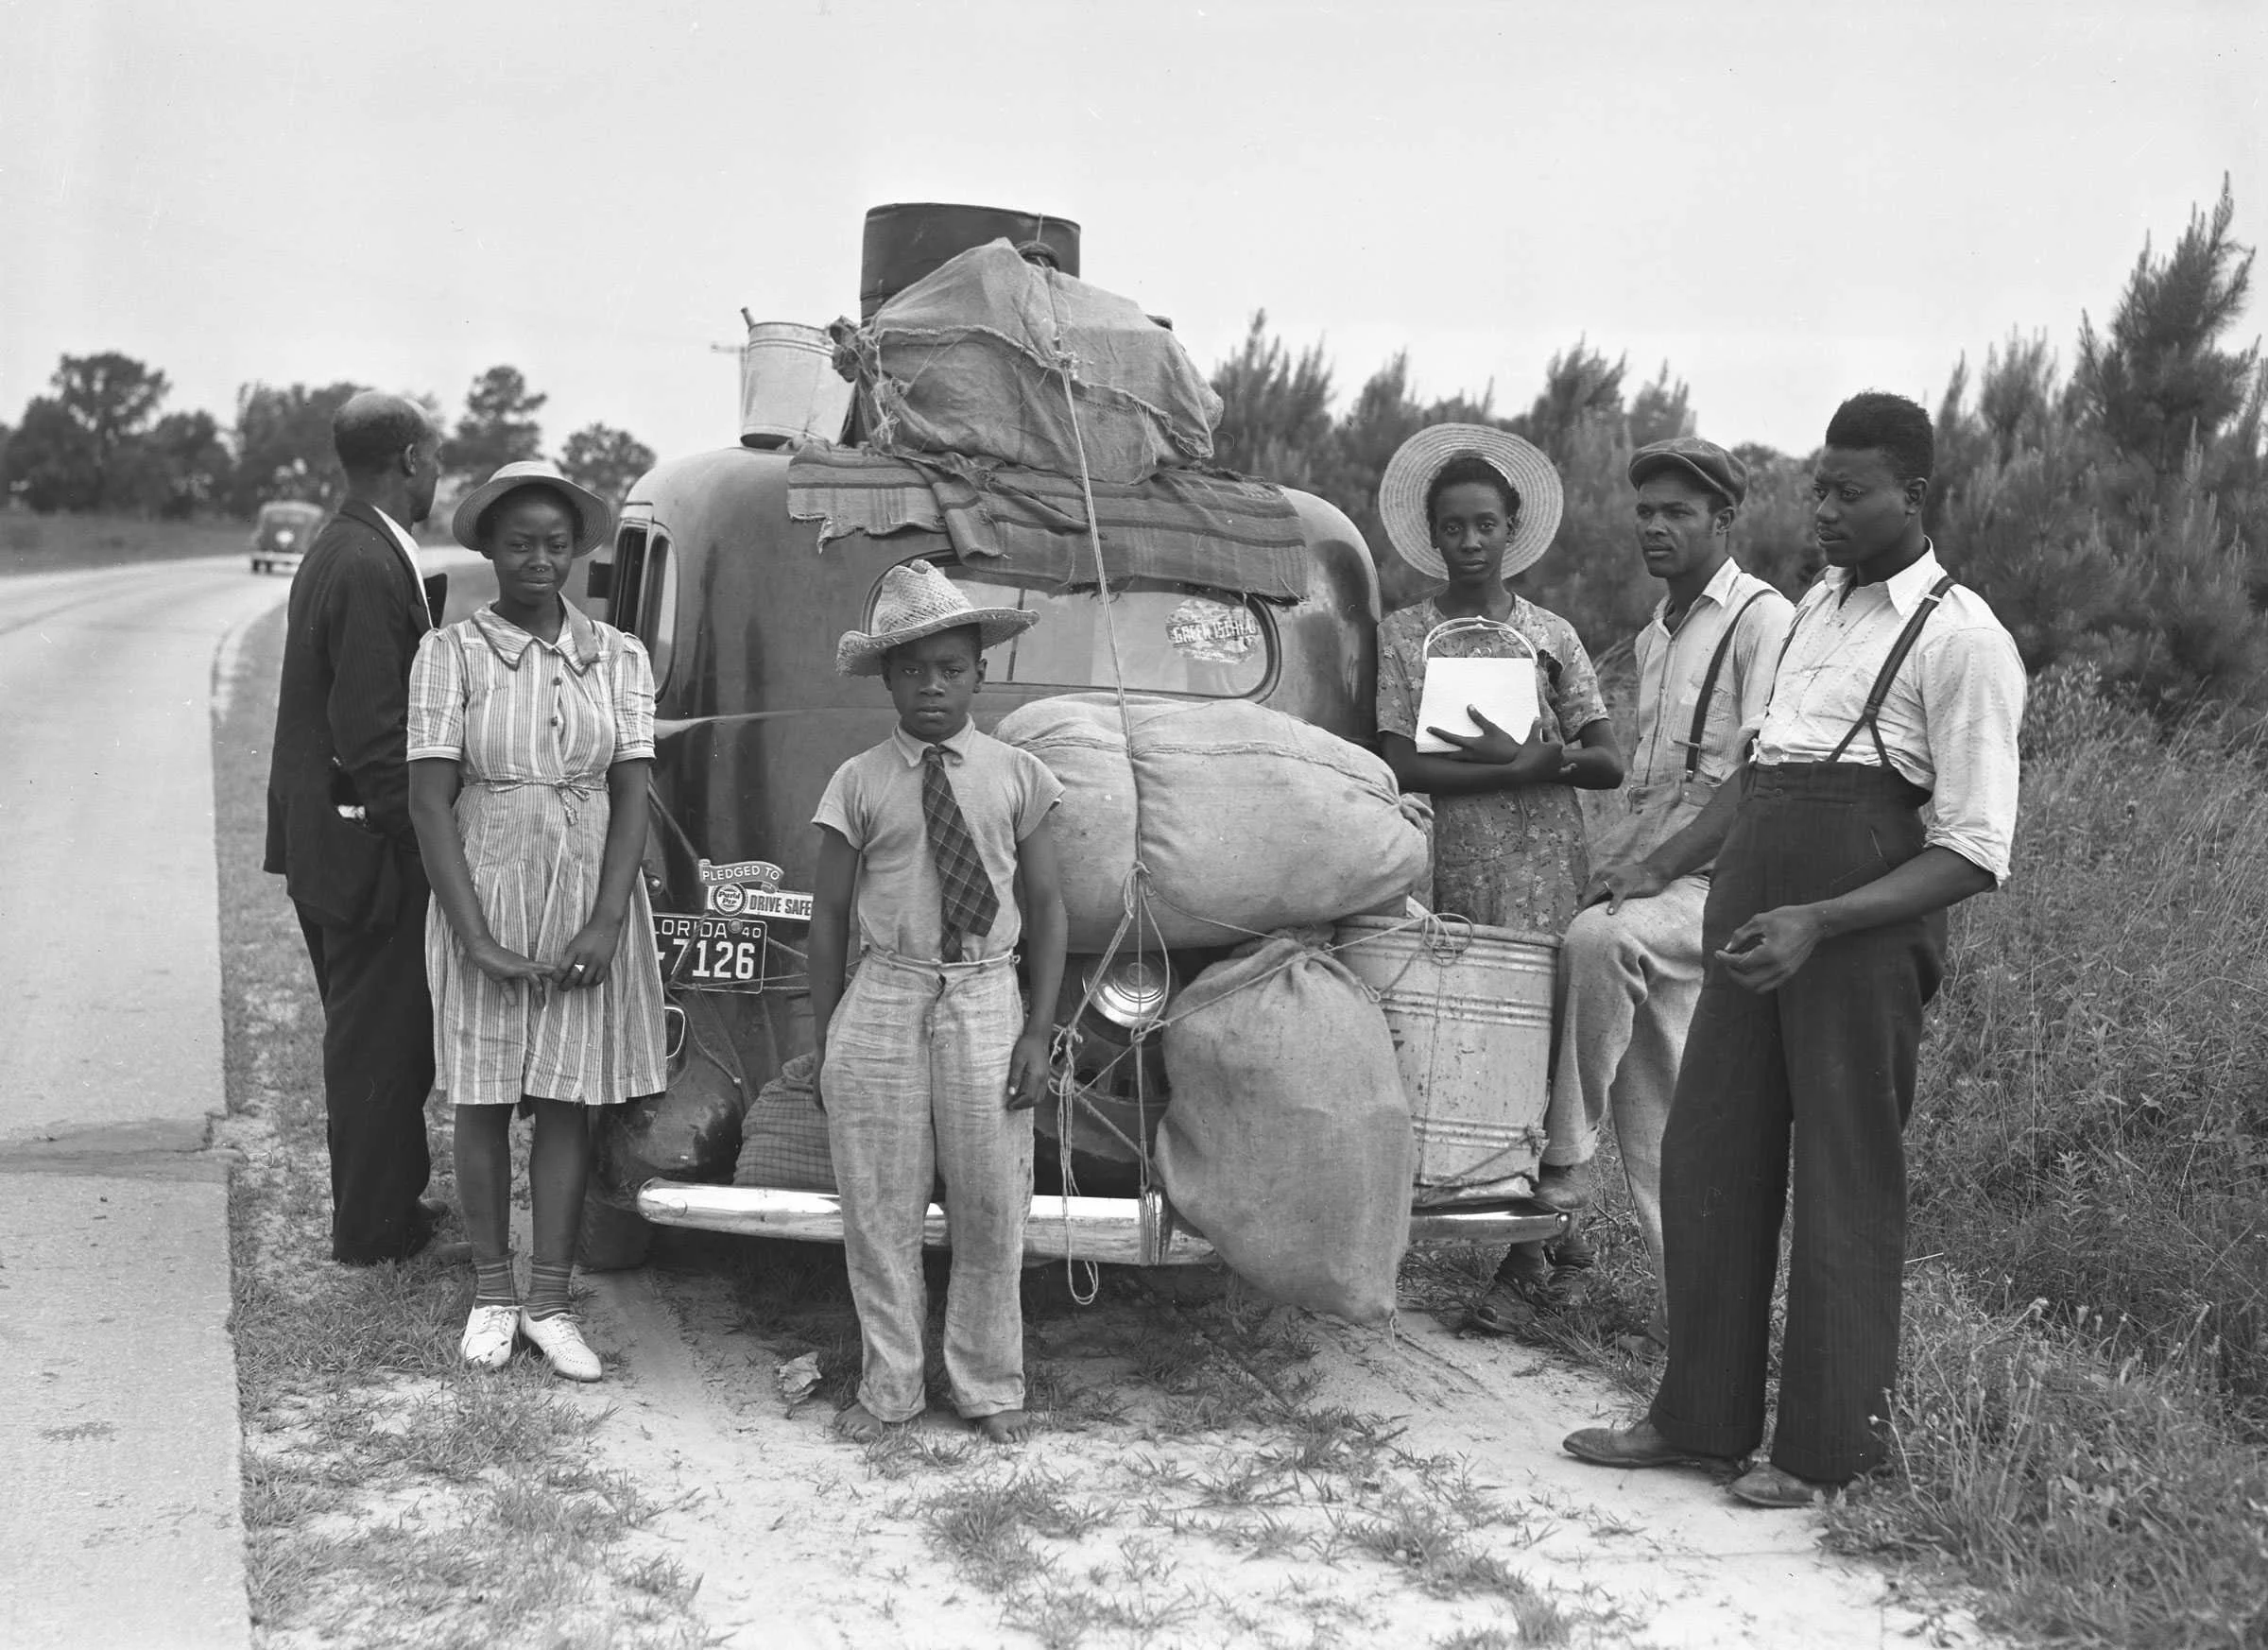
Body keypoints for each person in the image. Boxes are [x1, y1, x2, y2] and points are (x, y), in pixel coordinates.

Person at [1564, 392, 2025, 1507]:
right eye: (1817, 487)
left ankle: (1828, 1452)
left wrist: (1824, 920)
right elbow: (1762, 777)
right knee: (1709, 1158)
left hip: (1856, 940)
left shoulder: (1963, 639)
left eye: (1849, 492)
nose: (1822, 510)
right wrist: (1665, 866)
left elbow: (1973, 851)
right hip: (1752, 923)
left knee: (1842, 1179)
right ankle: (1700, 1419)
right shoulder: (1816, 607)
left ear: (1912, 497)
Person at [405, 460, 667, 1382]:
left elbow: (633, 792)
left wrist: (604, 922)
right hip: (488, 883)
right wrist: (475, 934)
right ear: (488, 547)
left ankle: (551, 1303)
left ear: (579, 551)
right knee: (480, 1096)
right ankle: (491, 1294)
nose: (539, 561)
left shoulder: (619, 656)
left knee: (565, 1099)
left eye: (556, 544)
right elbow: (431, 802)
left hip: (589, 893)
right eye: (520, 543)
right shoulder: (451, 654)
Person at [1370, 425, 1625, 1333]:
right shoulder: (1405, 636)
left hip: (1545, 864)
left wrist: (1542, 759)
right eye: (1453, 527)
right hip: (1443, 862)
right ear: (1431, 537)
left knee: (1546, 1040)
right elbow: (1399, 762)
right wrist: (1518, 768)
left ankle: (1540, 1248)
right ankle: (1438, 1209)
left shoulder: (1549, 636)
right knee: (1448, 1029)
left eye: (1485, 525)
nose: (1470, 542)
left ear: (1512, 529)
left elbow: (1605, 760)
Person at [809, 559, 1069, 1444]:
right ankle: (890, 1388)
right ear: (885, 677)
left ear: (980, 673)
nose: (932, 686)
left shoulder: (1017, 776)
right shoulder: (859, 781)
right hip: (884, 994)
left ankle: (989, 1386)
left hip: (988, 998)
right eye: (913, 669)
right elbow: (831, 917)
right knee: (878, 1206)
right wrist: (828, 1037)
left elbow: (1049, 909)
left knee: (994, 1202)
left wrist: (1038, 1030)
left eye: (951, 668)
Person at [1545, 438, 1792, 1345]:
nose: (1654, 525)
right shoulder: (1659, 630)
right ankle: (1700, 1319)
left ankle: (1562, 1160)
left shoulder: (1766, 620)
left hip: (1721, 880)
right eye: (1645, 509)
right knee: (1663, 1103)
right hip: (1658, 867)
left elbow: (1757, 778)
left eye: (1677, 511)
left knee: (1597, 946)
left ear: (1725, 522)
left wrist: (1654, 870)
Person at [265, 392, 452, 1265]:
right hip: (364, 847)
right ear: (409, 458)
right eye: (437, 457)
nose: (440, 473)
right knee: (379, 1039)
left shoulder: (348, 544)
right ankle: (375, 1232)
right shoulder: (370, 562)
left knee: (375, 1031)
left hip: (332, 838)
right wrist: (424, 848)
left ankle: (386, 1209)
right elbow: (376, 736)